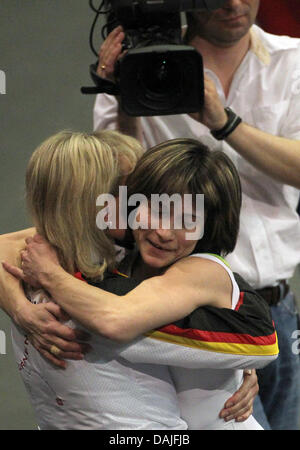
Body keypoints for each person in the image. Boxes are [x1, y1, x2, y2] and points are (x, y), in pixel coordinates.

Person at [92, 0, 300, 430]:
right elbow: (120, 196)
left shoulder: (292, 60)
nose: (235, 5)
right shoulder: (144, 67)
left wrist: (226, 124)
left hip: (277, 306)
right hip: (188, 305)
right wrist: (125, 95)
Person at [4, 136, 278, 429]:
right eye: (157, 210)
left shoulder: (202, 271)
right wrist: (21, 308)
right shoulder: (121, 255)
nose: (163, 232)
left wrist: (48, 275)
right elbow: (18, 240)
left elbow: (114, 320)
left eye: (187, 221)